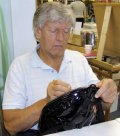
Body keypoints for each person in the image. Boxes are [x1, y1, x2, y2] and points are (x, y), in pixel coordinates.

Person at [2, 2, 117, 136]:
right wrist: (47, 103)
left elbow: (102, 104)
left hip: (80, 129)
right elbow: (10, 125)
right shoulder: (20, 66)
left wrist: (107, 96)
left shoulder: (78, 59)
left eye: (66, 31)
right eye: (53, 30)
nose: (61, 38)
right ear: (38, 32)